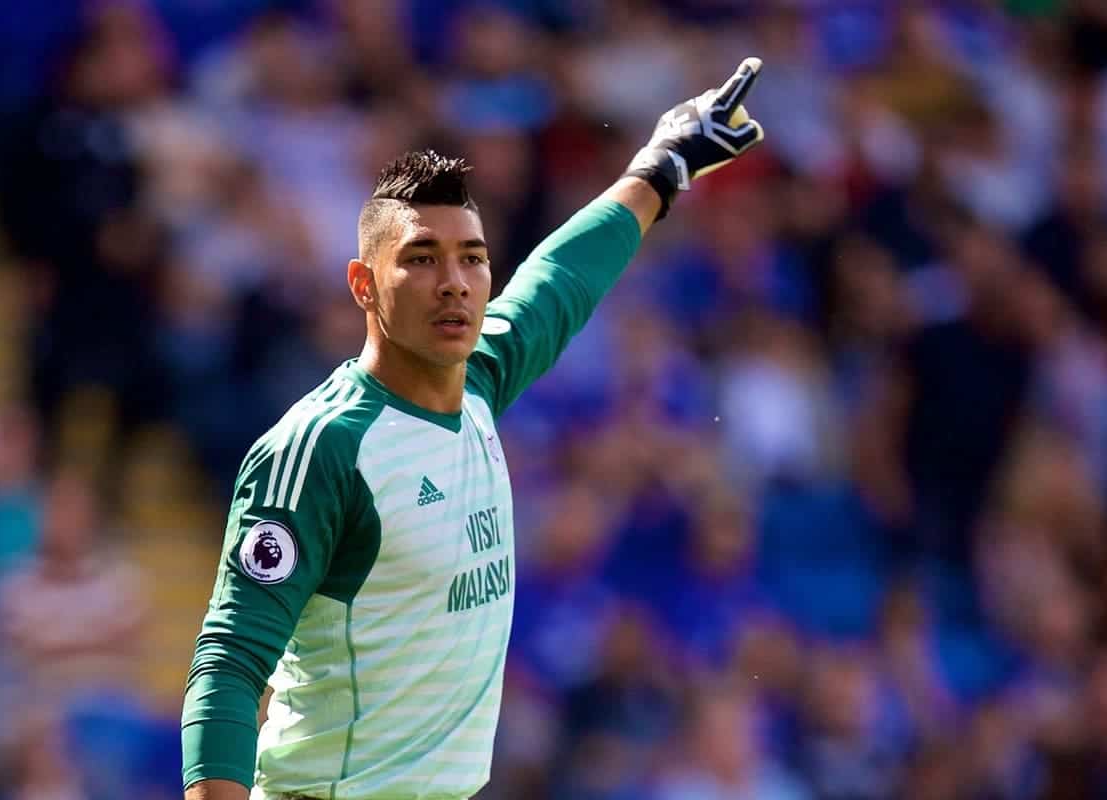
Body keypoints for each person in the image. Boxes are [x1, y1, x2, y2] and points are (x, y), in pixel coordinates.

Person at [180, 58, 766, 800]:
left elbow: (558, 283)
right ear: (364, 284)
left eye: (472, 259)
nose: (454, 281)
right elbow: (229, 668)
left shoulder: (478, 384)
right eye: (421, 259)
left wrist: (660, 168)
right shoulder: (323, 448)